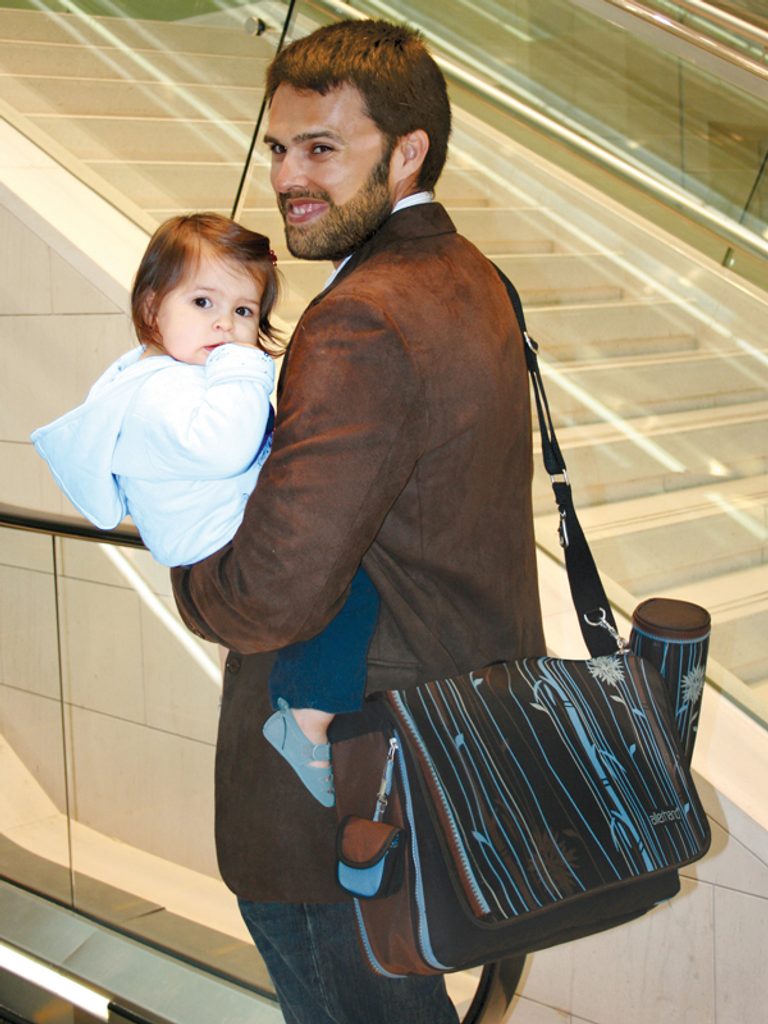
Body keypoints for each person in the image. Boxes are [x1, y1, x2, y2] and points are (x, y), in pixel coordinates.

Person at [171, 19, 546, 1024]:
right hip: (447, 755)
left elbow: (271, 595)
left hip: (342, 805)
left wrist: (188, 566)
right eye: (279, 148)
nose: (287, 177)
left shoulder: (365, 315)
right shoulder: (474, 276)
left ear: (407, 150)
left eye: (322, 148)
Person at [30, 212, 380, 807]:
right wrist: (244, 363)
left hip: (223, 539)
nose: (224, 323)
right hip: (223, 551)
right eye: (202, 302)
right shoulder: (157, 393)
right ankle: (307, 722)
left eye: (244, 310)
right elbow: (226, 447)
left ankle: (292, 696)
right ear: (151, 308)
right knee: (355, 591)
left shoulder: (176, 376)